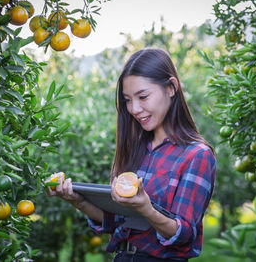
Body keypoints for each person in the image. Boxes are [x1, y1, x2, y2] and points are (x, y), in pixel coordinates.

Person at [48, 48, 216, 261]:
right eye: (127, 100)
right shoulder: (135, 148)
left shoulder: (196, 155)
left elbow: (183, 234)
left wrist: (147, 209)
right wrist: (77, 200)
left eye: (143, 96)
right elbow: (118, 219)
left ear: (171, 87)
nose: (134, 108)